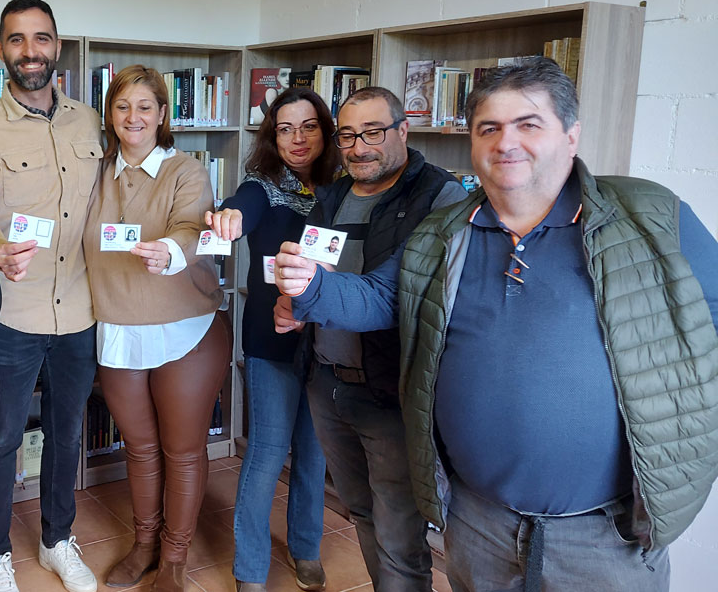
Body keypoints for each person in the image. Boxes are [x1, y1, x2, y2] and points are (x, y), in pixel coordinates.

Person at [274, 57, 718, 592]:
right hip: (477, 525)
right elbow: (384, 296)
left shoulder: (651, 217)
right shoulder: (444, 232)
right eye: (489, 128)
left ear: (570, 135)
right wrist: (311, 288)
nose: (507, 143)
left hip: (606, 536)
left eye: (528, 124)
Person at [0, 0, 102, 592]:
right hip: (14, 312)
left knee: (68, 434)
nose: (30, 52)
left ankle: (57, 541)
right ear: (1, 51)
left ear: (57, 46)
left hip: (82, 309)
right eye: (17, 40)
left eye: (41, 39)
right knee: (2, 438)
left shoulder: (90, 121)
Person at [296, 86, 465, 592]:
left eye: (373, 132)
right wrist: (294, 306)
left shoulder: (440, 196)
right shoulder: (331, 195)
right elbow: (316, 273)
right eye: (347, 135)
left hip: (390, 392)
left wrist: (309, 291)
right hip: (327, 383)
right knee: (363, 515)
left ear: (403, 130)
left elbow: (392, 296)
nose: (359, 146)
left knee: (399, 534)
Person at [84, 65, 230, 592]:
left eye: (145, 106)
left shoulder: (185, 169)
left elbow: (193, 225)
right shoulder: (96, 170)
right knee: (140, 449)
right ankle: (144, 544)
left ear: (163, 114)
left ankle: (174, 558)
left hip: (184, 327)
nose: (134, 117)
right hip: (117, 326)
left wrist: (168, 251)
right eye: (122, 107)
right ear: (110, 115)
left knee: (183, 449)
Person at [204, 87, 336, 592]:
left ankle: (306, 550)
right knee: (265, 453)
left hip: (328, 342)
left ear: (324, 131)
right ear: (272, 136)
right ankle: (251, 571)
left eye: (307, 127)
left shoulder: (343, 189)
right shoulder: (261, 185)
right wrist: (230, 215)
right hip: (272, 340)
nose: (297, 139)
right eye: (285, 129)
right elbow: (241, 207)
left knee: (314, 453)